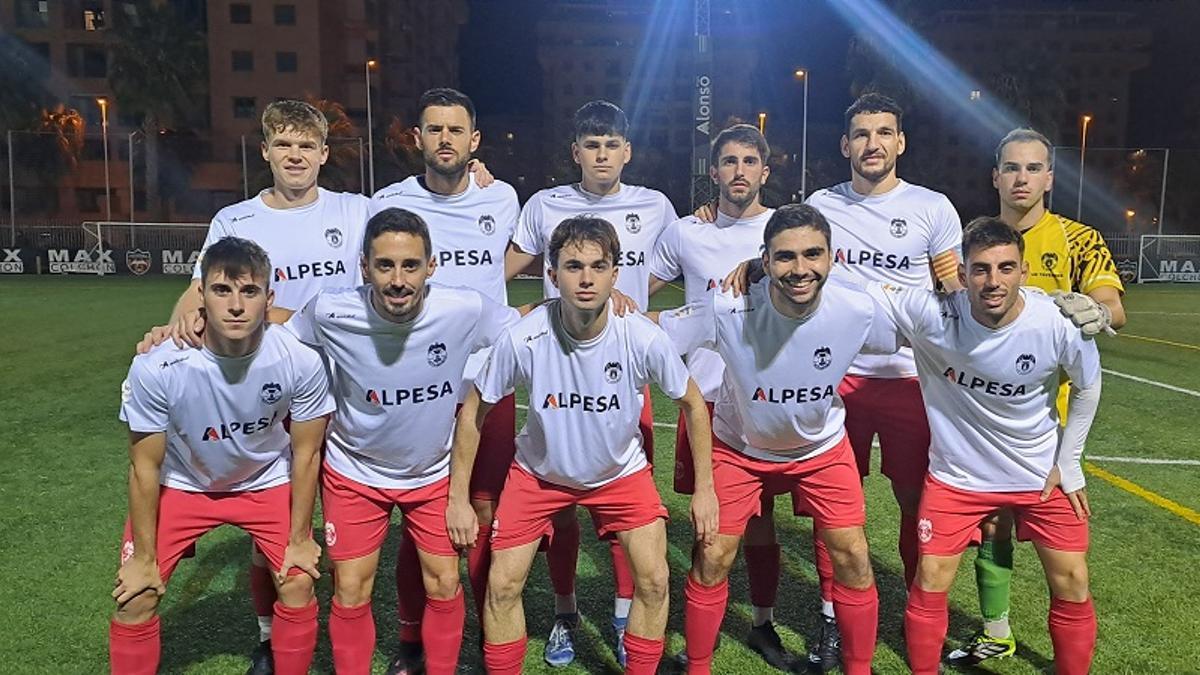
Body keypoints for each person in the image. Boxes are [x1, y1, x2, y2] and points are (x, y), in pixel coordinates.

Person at [719, 93, 965, 670]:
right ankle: (833, 618)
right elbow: (791, 255)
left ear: (900, 141)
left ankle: (913, 611)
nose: (872, 143)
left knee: (913, 503)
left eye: (884, 132)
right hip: (838, 379)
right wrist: (752, 262)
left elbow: (954, 294)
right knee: (836, 517)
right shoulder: (823, 205)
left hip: (909, 377)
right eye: (860, 133)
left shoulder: (933, 208)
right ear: (844, 144)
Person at [133, 99, 371, 674]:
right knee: (273, 512)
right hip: (259, 378)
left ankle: (311, 628)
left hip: (334, 385)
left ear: (323, 154)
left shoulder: (357, 210)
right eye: (283, 145)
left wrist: (478, 171)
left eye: (306, 145)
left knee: (305, 530)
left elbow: (414, 223)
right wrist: (173, 330)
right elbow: (201, 291)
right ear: (265, 151)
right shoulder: (234, 221)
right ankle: (271, 637)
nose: (295, 155)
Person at [447, 216, 717, 675]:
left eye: (598, 266)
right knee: (503, 586)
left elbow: (692, 403)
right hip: (538, 475)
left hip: (620, 475)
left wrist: (706, 489)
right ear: (551, 275)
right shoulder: (524, 338)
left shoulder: (642, 336)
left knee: (653, 580)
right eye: (573, 266)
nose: (587, 278)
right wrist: (457, 498)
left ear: (616, 273)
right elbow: (474, 410)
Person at [283, 208, 530, 674]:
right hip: (353, 471)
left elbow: (527, 327)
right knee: (351, 587)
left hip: (432, 473)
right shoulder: (331, 311)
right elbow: (278, 339)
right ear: (364, 267)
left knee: (443, 582)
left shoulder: (464, 309)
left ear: (431, 266)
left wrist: (598, 305)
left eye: (411, 266)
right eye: (385, 266)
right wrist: (195, 326)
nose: (398, 280)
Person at [657, 204, 899, 675]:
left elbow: (939, 319)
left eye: (813, 254)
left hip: (821, 450)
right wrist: (593, 311)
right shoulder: (728, 305)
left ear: (832, 257)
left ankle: (859, 669)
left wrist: (1042, 307)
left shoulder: (858, 307)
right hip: (740, 449)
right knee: (713, 554)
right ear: (764, 261)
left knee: (852, 554)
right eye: (785, 258)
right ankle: (699, 666)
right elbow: (655, 331)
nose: (801, 268)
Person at [863, 217, 1101, 675]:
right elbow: (852, 292)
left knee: (1072, 580)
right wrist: (763, 268)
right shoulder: (932, 312)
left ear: (1024, 272)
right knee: (930, 579)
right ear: (963, 274)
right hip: (958, 478)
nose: (994, 281)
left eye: (1006, 268)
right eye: (981, 269)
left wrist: (1068, 463)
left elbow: (1089, 385)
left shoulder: (1055, 321)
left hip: (1038, 475)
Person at [110, 237, 334, 675]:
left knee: (297, 580)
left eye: (249, 292)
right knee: (136, 596)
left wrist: (301, 536)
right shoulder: (158, 366)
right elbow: (144, 466)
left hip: (264, 481)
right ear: (202, 297)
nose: (235, 305)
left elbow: (306, 455)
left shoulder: (300, 361)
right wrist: (142, 559)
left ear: (268, 300)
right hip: (184, 484)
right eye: (221, 290)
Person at [506, 101, 678, 666]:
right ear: (575, 152)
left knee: (633, 505)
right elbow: (497, 268)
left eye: (612, 145)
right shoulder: (544, 204)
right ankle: (564, 610)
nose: (601, 155)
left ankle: (628, 615)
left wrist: (632, 304)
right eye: (590, 145)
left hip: (622, 375)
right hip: (558, 369)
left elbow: (681, 262)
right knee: (557, 505)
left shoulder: (655, 206)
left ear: (627, 152)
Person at [947, 127, 1125, 664]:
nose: (1021, 178)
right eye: (1011, 168)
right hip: (982, 418)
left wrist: (1093, 310)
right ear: (995, 176)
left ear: (1049, 177)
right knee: (993, 526)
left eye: (1033, 168)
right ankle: (996, 630)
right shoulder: (974, 239)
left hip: (1051, 423)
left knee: (1064, 557)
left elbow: (1111, 308)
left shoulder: (1079, 239)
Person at [369, 87, 521, 674]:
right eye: (434, 130)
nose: (445, 140)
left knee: (483, 512)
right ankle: (413, 640)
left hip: (488, 380)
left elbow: (525, 255)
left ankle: (487, 631)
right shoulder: (387, 203)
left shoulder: (502, 197)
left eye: (456, 131)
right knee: (420, 516)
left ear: (474, 141)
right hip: (418, 382)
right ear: (418, 139)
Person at [649, 124, 793, 667]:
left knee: (762, 520)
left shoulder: (782, 231)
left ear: (764, 170)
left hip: (765, 398)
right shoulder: (687, 233)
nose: (738, 171)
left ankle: (761, 622)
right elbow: (638, 293)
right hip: (703, 399)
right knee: (708, 523)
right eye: (728, 161)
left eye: (749, 161)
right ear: (714, 172)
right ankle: (699, 636)